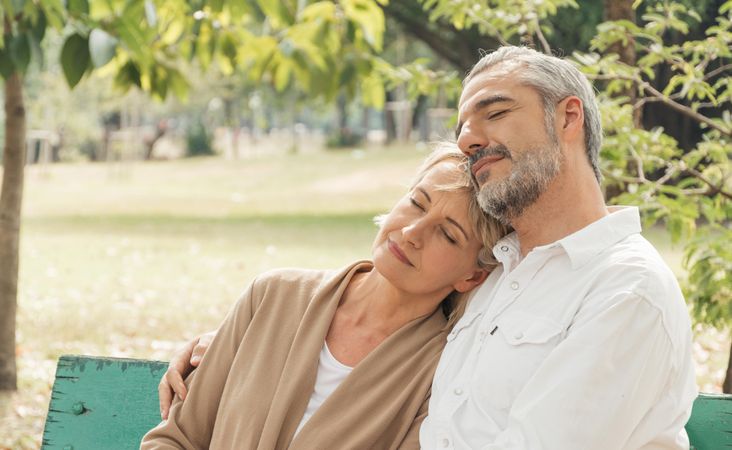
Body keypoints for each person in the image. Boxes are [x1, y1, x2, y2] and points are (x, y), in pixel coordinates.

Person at [161, 46, 697, 449]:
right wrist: (240, 342)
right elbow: (376, 308)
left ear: (568, 117)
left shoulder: (625, 290)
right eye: (463, 125)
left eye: (495, 112)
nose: (468, 137)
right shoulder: (503, 279)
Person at [141, 146, 509, 449]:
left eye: (447, 234)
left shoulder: (444, 374)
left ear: (473, 275)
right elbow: (176, 439)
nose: (412, 232)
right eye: (416, 203)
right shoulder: (271, 296)